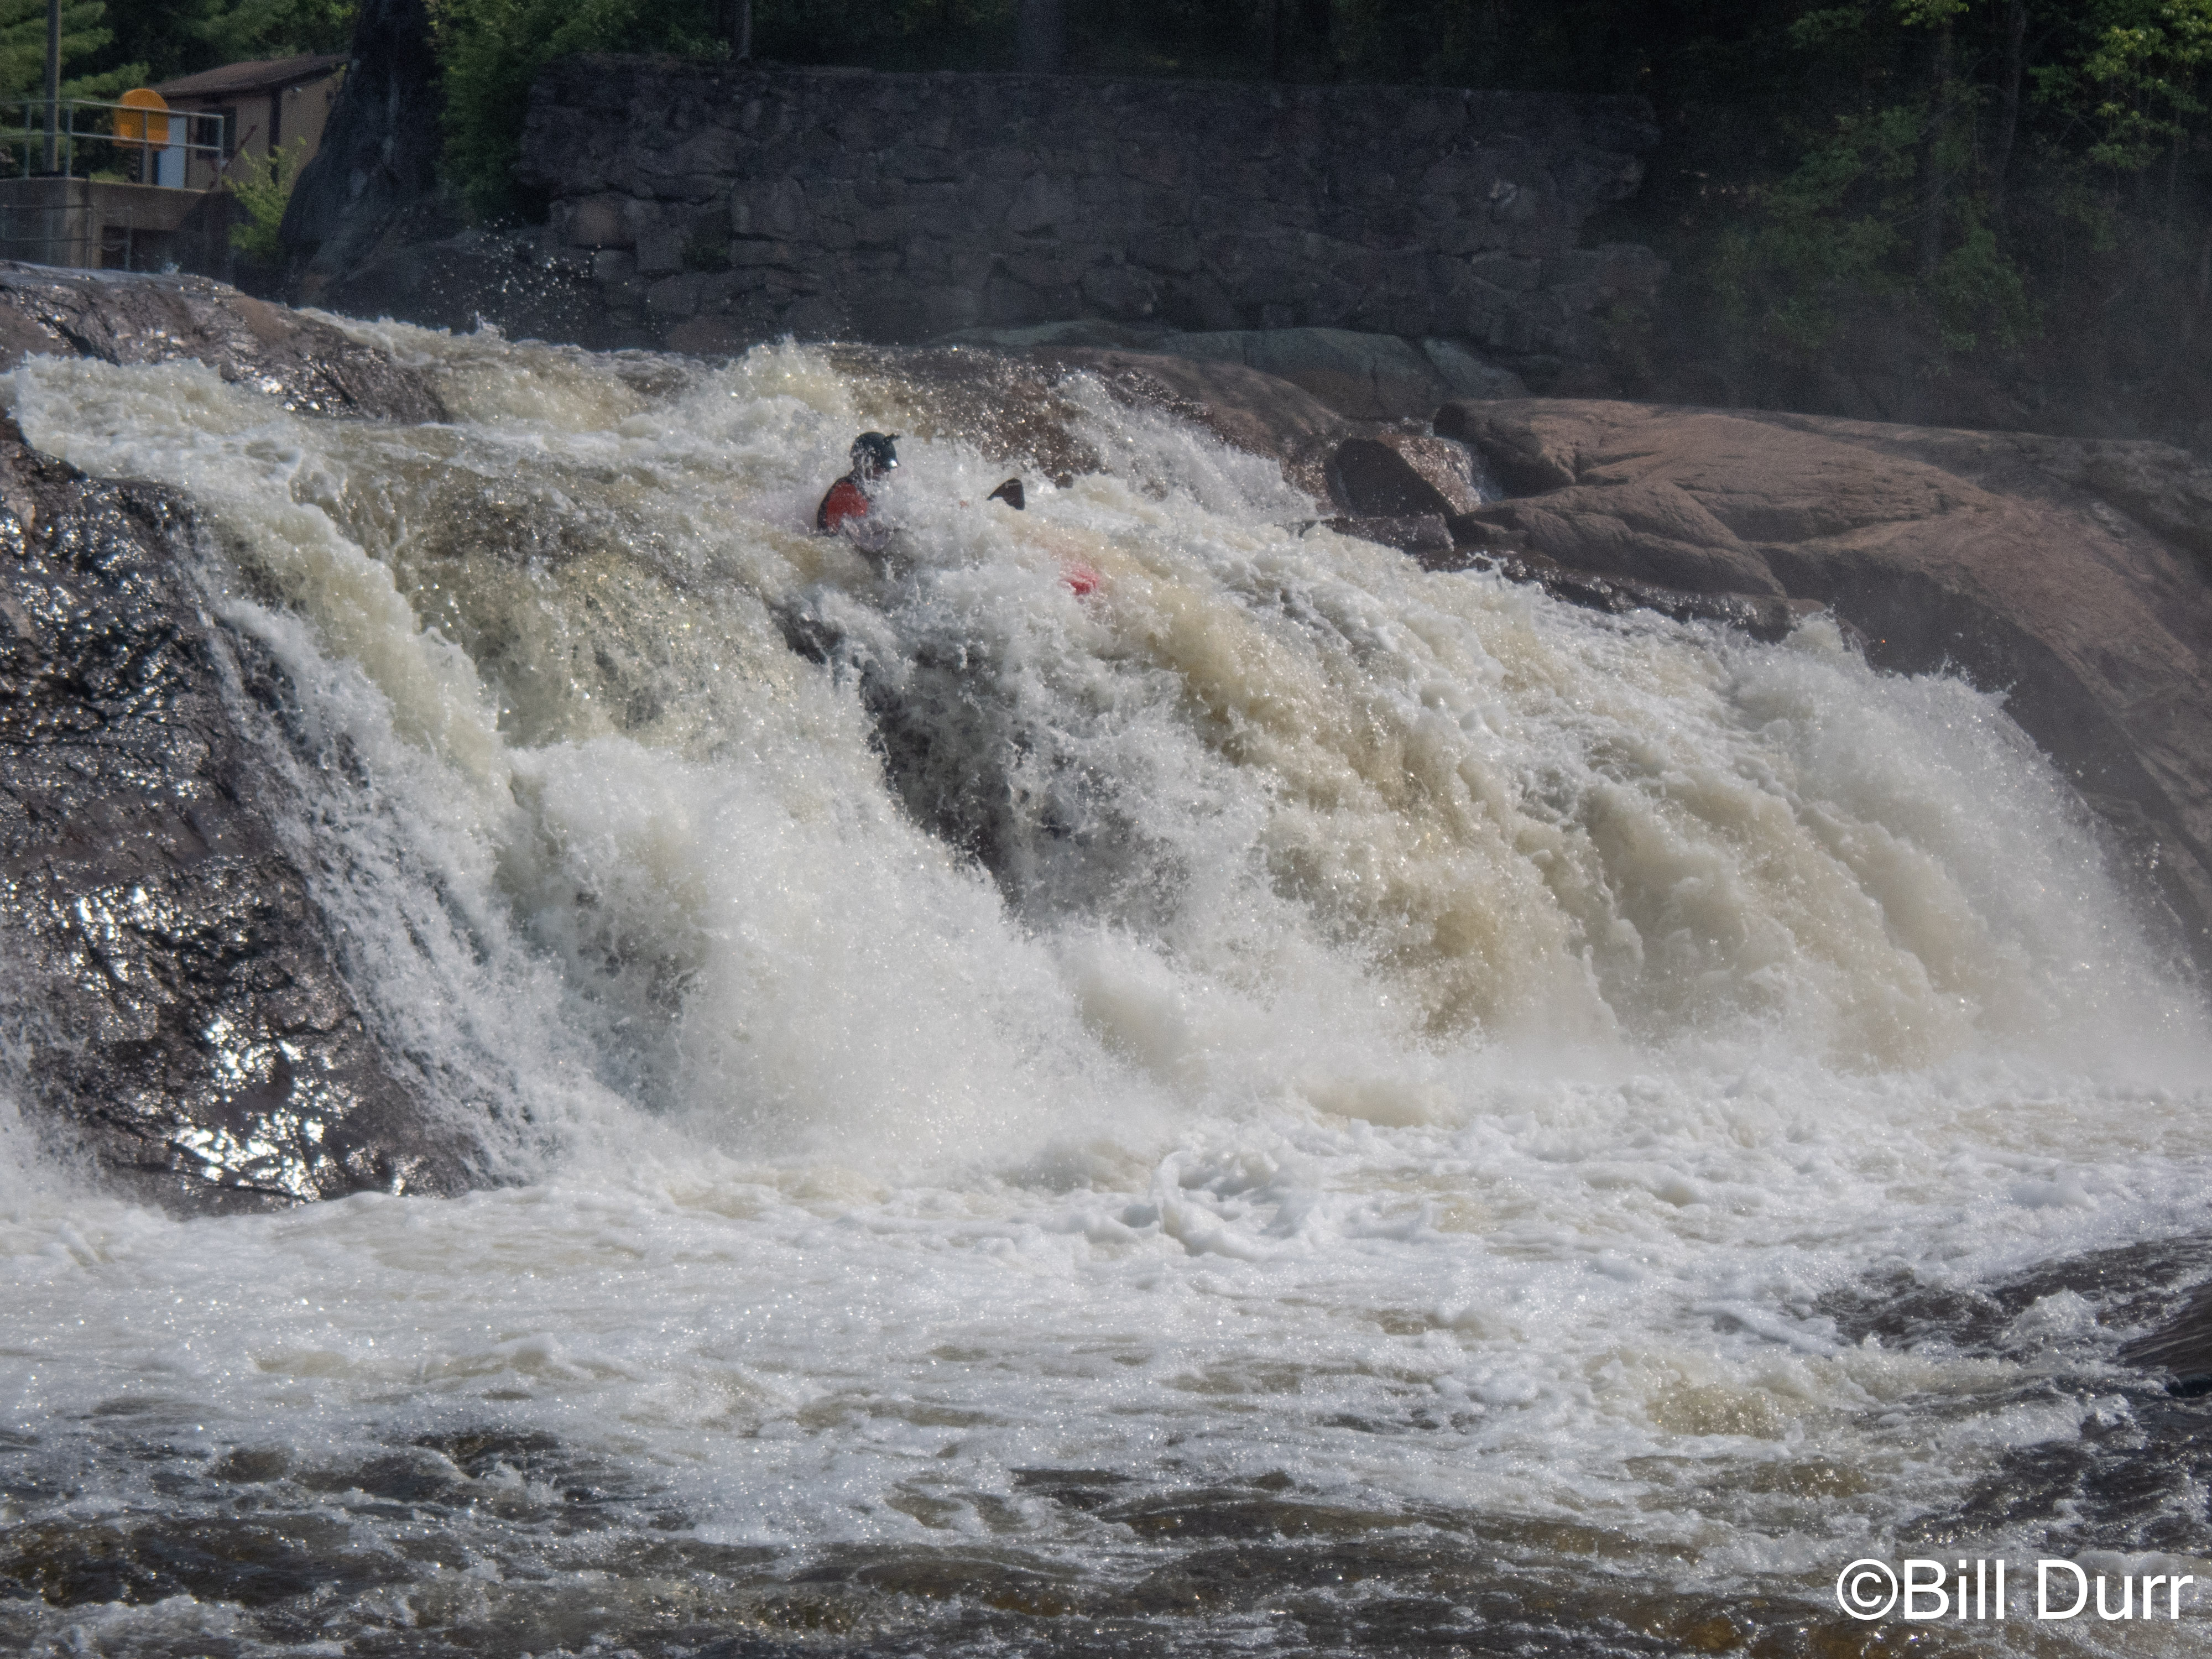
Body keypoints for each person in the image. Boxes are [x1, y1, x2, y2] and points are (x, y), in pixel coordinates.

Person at [816, 431, 900, 534]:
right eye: (881, 466)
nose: (886, 471)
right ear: (864, 462)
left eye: (887, 468)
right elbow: (861, 536)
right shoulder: (846, 494)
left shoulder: (862, 490)